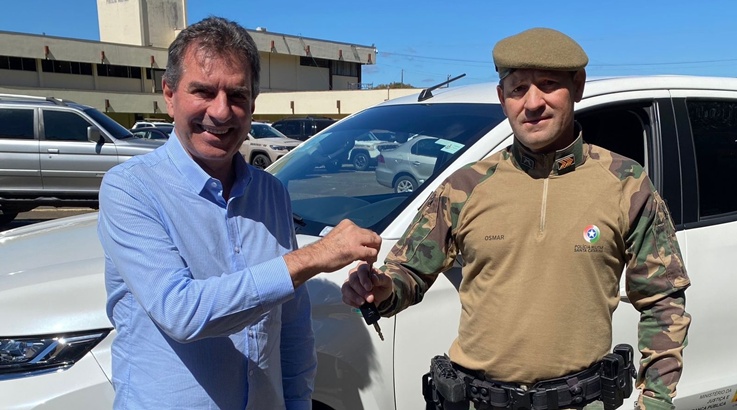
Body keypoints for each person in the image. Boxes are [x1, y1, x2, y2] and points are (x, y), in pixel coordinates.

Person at [342, 28, 690, 410]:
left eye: (548, 84)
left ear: (577, 86)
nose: (533, 103)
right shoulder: (464, 186)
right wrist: (381, 289)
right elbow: (407, 272)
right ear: (502, 97)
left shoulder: (625, 183)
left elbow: (663, 300)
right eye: (518, 88)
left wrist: (656, 401)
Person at [98, 17, 381, 409]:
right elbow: (181, 312)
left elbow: (292, 327)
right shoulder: (131, 189)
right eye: (203, 91)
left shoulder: (271, 193)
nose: (221, 112)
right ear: (169, 94)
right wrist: (314, 257)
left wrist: (297, 402)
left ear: (252, 104)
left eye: (237, 95)